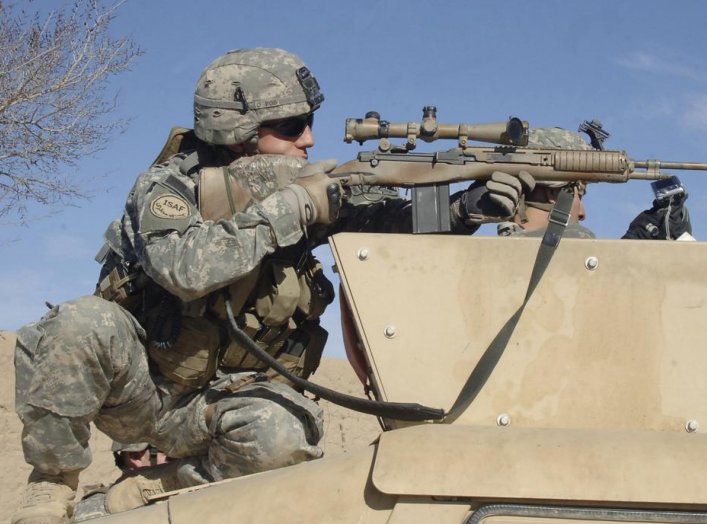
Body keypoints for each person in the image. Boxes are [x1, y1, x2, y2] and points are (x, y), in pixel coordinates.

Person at [13, 47, 525, 523]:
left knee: (282, 439)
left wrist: (463, 210)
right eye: (292, 126)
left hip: (229, 403)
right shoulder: (170, 187)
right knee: (77, 323)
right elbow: (183, 269)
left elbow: (386, 218)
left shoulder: (305, 187)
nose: (308, 140)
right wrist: (294, 207)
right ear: (237, 131)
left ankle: (145, 491)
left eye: (309, 123)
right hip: (143, 391)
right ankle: (53, 483)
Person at [461, 127, 692, 239]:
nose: (582, 213)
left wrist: (634, 243)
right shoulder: (573, 242)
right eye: (579, 194)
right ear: (554, 194)